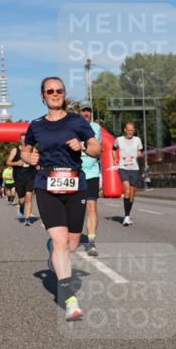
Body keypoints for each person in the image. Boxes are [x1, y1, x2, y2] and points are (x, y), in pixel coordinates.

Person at [22, 77, 101, 321]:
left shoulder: (77, 121)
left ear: (63, 94)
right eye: (50, 91)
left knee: (73, 244)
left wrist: (83, 147)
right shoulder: (35, 125)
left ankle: (55, 249)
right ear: (42, 96)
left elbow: (97, 148)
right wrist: (29, 158)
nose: (55, 94)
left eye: (59, 90)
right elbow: (25, 149)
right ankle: (69, 299)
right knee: (60, 242)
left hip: (75, 184)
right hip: (47, 185)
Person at [78, 101, 102, 256]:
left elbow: (95, 149)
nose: (86, 113)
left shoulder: (96, 128)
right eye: (83, 110)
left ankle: (91, 242)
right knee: (76, 209)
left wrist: (82, 147)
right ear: (79, 112)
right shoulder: (72, 126)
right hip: (76, 172)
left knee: (91, 206)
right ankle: (70, 236)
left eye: (88, 110)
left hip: (92, 172)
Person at [113, 122, 144, 225]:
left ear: (133, 131)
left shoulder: (137, 140)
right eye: (128, 130)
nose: (130, 132)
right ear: (125, 130)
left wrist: (141, 160)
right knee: (126, 189)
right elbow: (113, 149)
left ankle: (128, 215)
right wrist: (115, 159)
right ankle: (126, 217)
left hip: (134, 168)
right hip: (123, 168)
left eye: (132, 130)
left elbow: (140, 152)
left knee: (131, 194)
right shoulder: (119, 140)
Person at [7, 133, 37, 226]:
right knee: (22, 199)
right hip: (19, 177)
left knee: (29, 197)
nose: (25, 141)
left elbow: (38, 160)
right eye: (23, 140)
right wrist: (17, 163)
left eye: (26, 139)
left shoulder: (33, 149)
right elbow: (8, 162)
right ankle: (21, 207)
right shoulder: (15, 150)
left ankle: (27, 219)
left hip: (30, 176)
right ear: (19, 141)